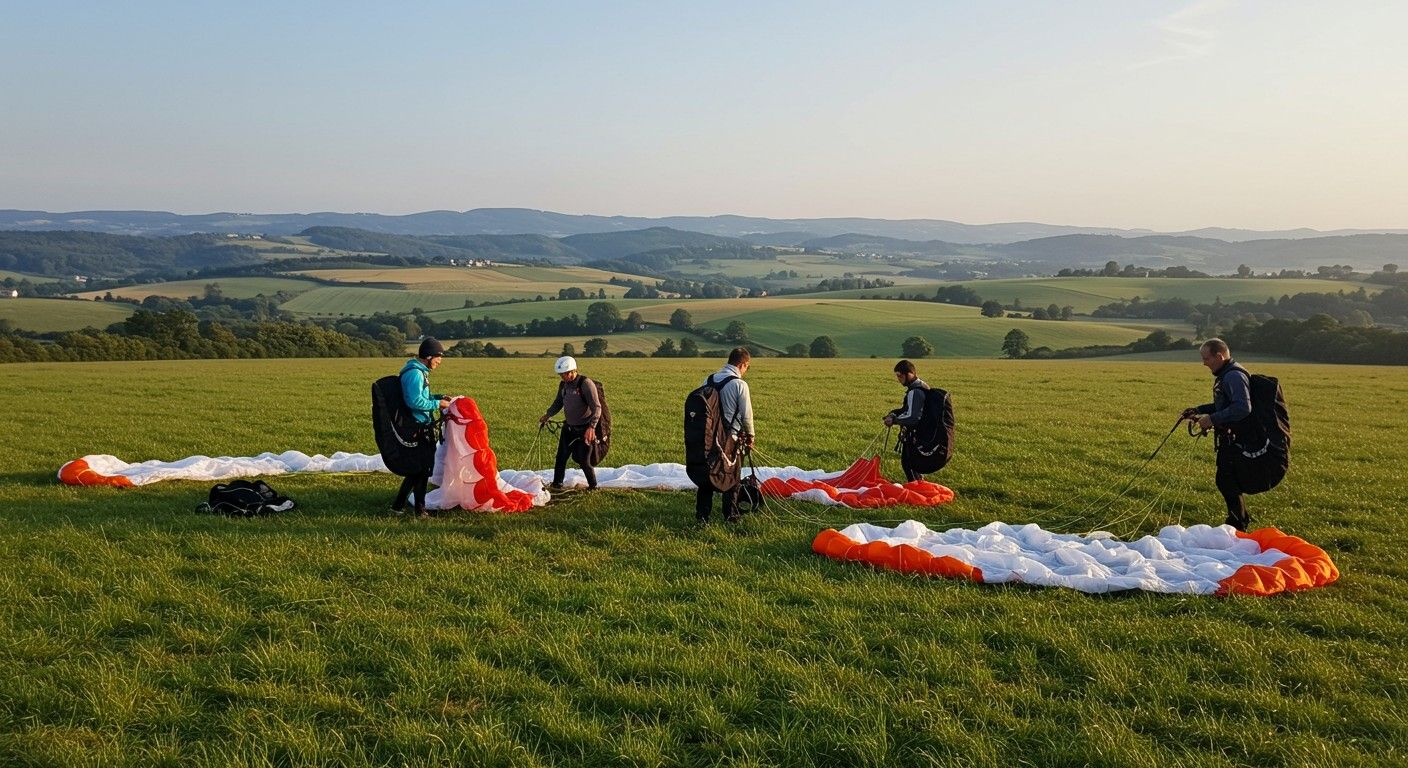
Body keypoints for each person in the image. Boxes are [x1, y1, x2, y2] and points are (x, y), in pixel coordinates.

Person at [1182, 338, 1254, 531]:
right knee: (1226, 479)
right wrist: (1198, 410)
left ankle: (1238, 524)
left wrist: (1211, 419)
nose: (1204, 363)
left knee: (1226, 480)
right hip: (1229, 437)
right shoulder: (1226, 375)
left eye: (1206, 358)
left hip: (1236, 439)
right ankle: (1239, 521)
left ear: (1219, 356)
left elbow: (1242, 407)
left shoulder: (1233, 377)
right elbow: (1224, 405)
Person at [689, 347, 756, 523]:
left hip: (709, 436)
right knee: (732, 477)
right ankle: (731, 515)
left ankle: (702, 516)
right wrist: (750, 436)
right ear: (743, 364)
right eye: (746, 367)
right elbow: (746, 415)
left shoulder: (709, 379)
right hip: (730, 438)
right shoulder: (740, 384)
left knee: (708, 474)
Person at [392, 337, 452, 516]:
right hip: (416, 427)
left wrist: (437, 397)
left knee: (419, 470)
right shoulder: (414, 374)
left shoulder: (420, 372)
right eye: (438, 357)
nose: (439, 361)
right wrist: (438, 404)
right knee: (421, 469)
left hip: (421, 425)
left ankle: (399, 506)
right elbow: (414, 401)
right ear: (428, 356)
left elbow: (422, 397)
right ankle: (419, 510)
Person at [538, 355, 601, 491]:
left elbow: (597, 408)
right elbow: (558, 402)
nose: (563, 377)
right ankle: (557, 484)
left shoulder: (585, 384)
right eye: (561, 375)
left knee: (584, 461)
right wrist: (548, 414)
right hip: (569, 428)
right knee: (561, 457)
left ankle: (593, 487)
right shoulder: (563, 385)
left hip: (584, 429)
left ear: (573, 370)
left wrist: (591, 427)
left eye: (565, 374)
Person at [884, 359, 932, 482]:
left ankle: (918, 491)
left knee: (909, 464)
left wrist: (894, 420)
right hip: (922, 432)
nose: (898, 379)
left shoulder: (915, 391)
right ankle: (920, 487)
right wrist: (894, 413)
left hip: (915, 434)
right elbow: (907, 409)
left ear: (909, 374)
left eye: (900, 376)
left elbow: (912, 417)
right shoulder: (921, 386)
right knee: (912, 464)